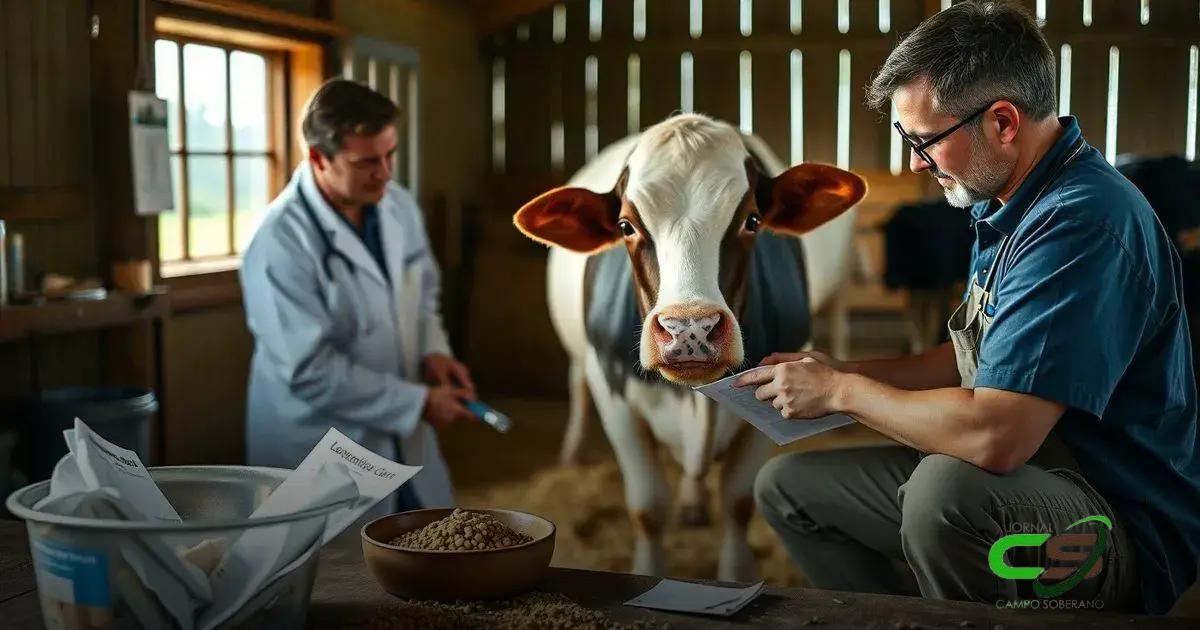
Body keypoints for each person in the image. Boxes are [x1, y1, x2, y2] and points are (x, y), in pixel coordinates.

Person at [742, 0, 1197, 614]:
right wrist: (843, 369)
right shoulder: (1008, 199)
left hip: (1114, 517)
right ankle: (914, 618)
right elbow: (969, 360)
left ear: (1003, 122)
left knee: (944, 492)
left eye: (923, 140)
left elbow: (995, 437)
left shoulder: (1082, 222)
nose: (913, 161)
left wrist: (840, 396)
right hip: (1040, 473)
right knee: (790, 487)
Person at [240, 79, 477, 513]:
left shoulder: (397, 206)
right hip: (320, 450)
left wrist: (434, 352)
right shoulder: (278, 242)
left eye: (390, 155)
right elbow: (309, 369)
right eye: (367, 161)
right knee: (340, 574)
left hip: (402, 438)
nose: (385, 172)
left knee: (424, 544)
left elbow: (423, 296)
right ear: (318, 158)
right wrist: (418, 401)